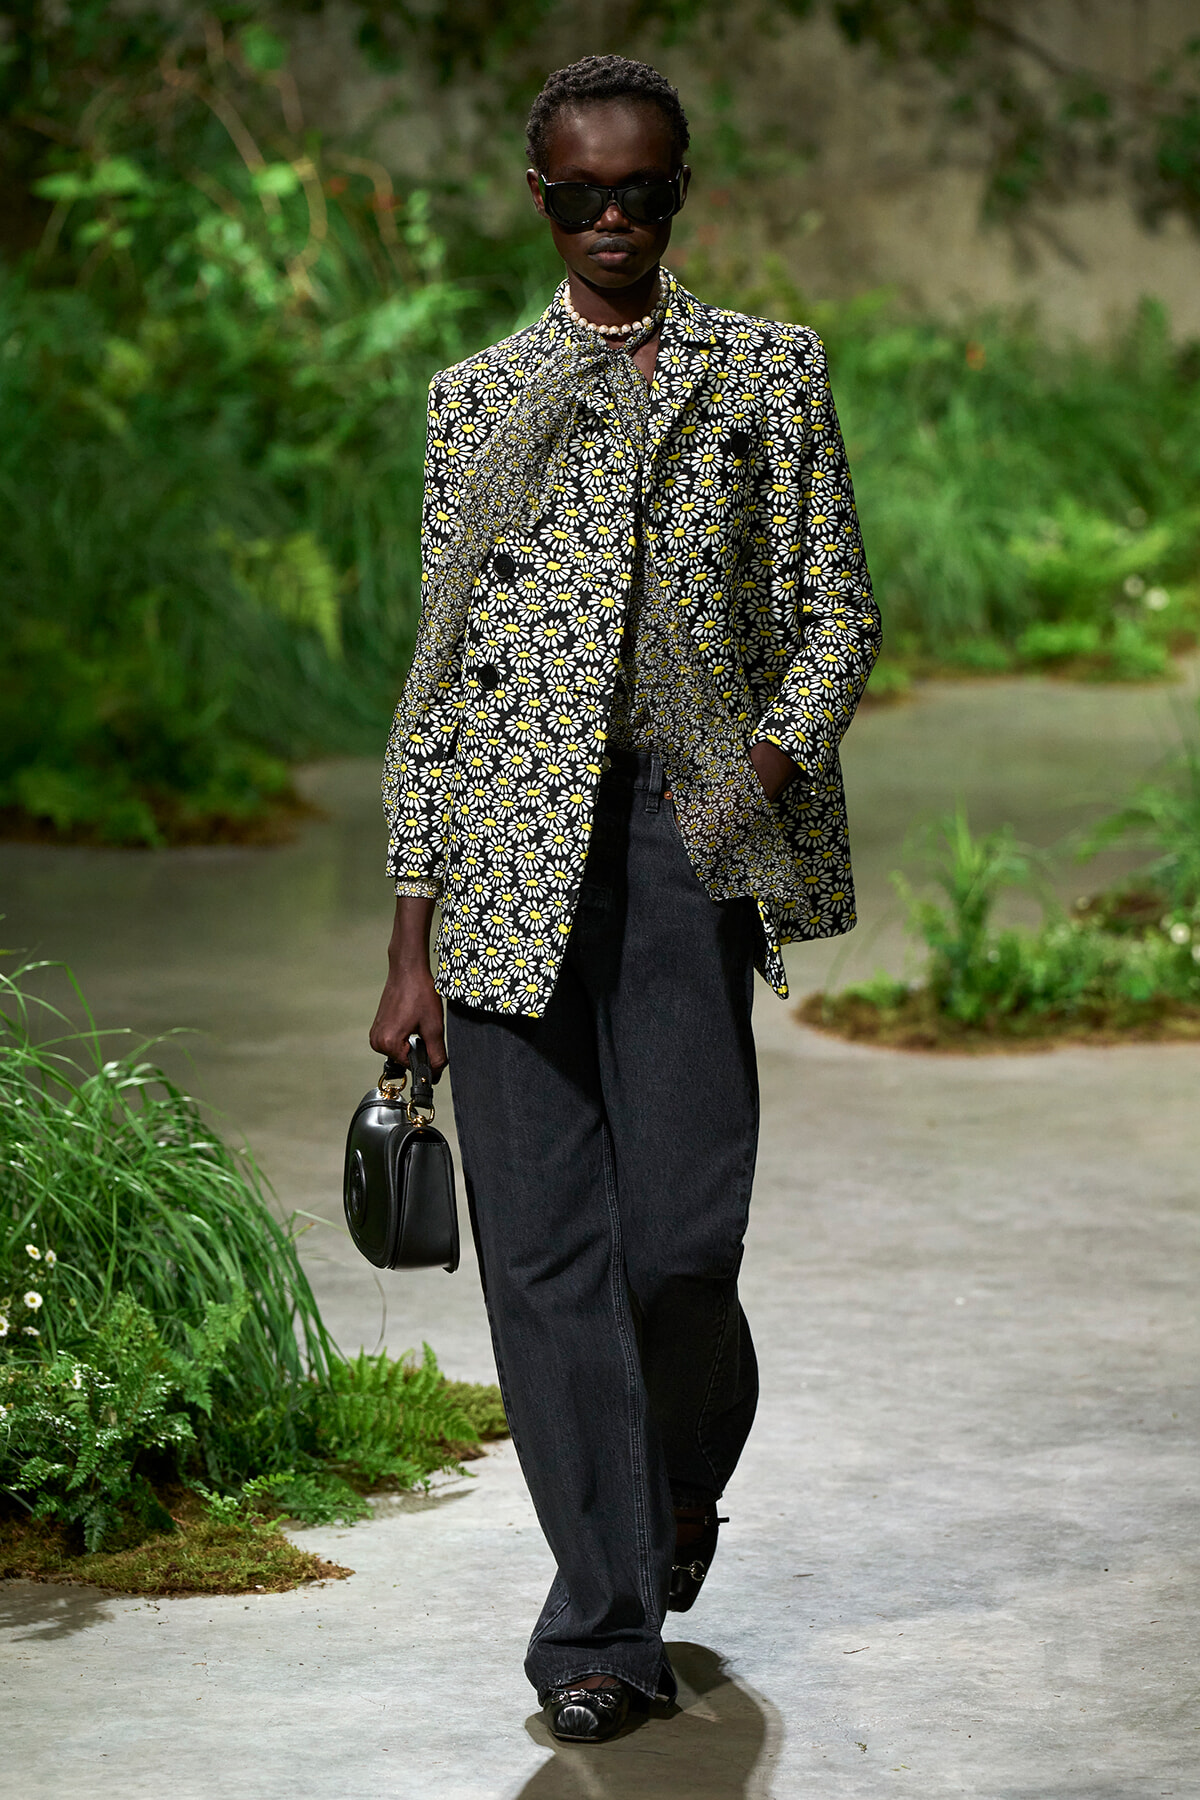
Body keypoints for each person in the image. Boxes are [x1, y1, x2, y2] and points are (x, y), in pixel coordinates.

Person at [370, 53, 880, 1744]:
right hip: (509, 870)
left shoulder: (767, 372)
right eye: (581, 192)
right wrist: (409, 940)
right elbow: (437, 684)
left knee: (678, 1246)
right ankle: (597, 1629)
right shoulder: (475, 401)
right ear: (541, 201)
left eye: (639, 190)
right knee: (549, 1264)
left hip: (685, 854)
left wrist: (759, 780)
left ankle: (673, 1485)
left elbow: (836, 613)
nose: (611, 218)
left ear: (679, 192)